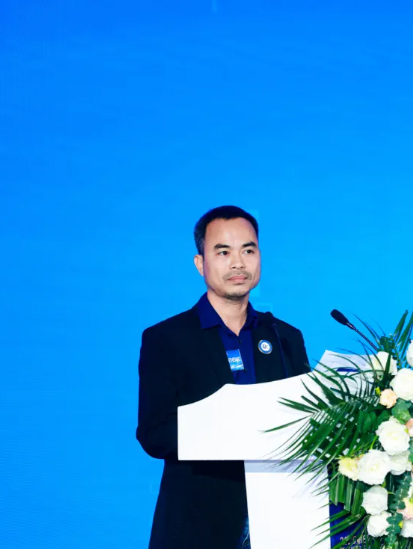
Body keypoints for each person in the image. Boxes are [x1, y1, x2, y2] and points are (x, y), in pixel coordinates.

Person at [136, 205, 310, 549]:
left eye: (248, 250)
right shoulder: (167, 338)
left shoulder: (284, 337)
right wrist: (236, 430)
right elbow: (155, 434)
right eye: (223, 252)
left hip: (283, 518)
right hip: (199, 522)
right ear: (200, 263)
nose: (238, 263)